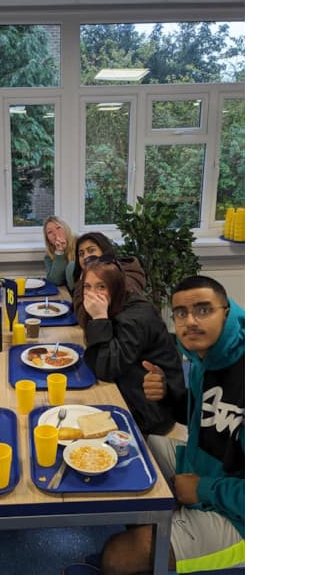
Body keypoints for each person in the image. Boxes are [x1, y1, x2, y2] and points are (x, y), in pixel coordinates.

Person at [83, 276, 245, 575]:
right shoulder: (208, 357)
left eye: (203, 309)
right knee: (132, 445)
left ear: (226, 310)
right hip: (208, 466)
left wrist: (204, 490)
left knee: (118, 557)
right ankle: (160, 526)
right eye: (181, 313)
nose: (190, 321)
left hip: (241, 515)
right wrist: (168, 396)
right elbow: (204, 418)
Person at [75, 254, 185, 436]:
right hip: (127, 385)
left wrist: (99, 318)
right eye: (87, 286)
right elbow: (98, 356)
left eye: (101, 286)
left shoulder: (136, 318)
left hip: (151, 409)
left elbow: (107, 369)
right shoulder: (117, 303)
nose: (93, 294)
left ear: (116, 287)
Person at [72, 232, 146, 300]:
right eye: (81, 254)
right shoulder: (83, 278)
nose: (85, 257)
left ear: (104, 251)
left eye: (91, 250)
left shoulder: (127, 278)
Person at [43, 216, 76, 289]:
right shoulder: (48, 257)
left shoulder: (81, 243)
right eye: (50, 232)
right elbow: (55, 281)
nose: (55, 233)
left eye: (58, 228)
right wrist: (59, 252)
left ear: (66, 229)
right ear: (48, 240)